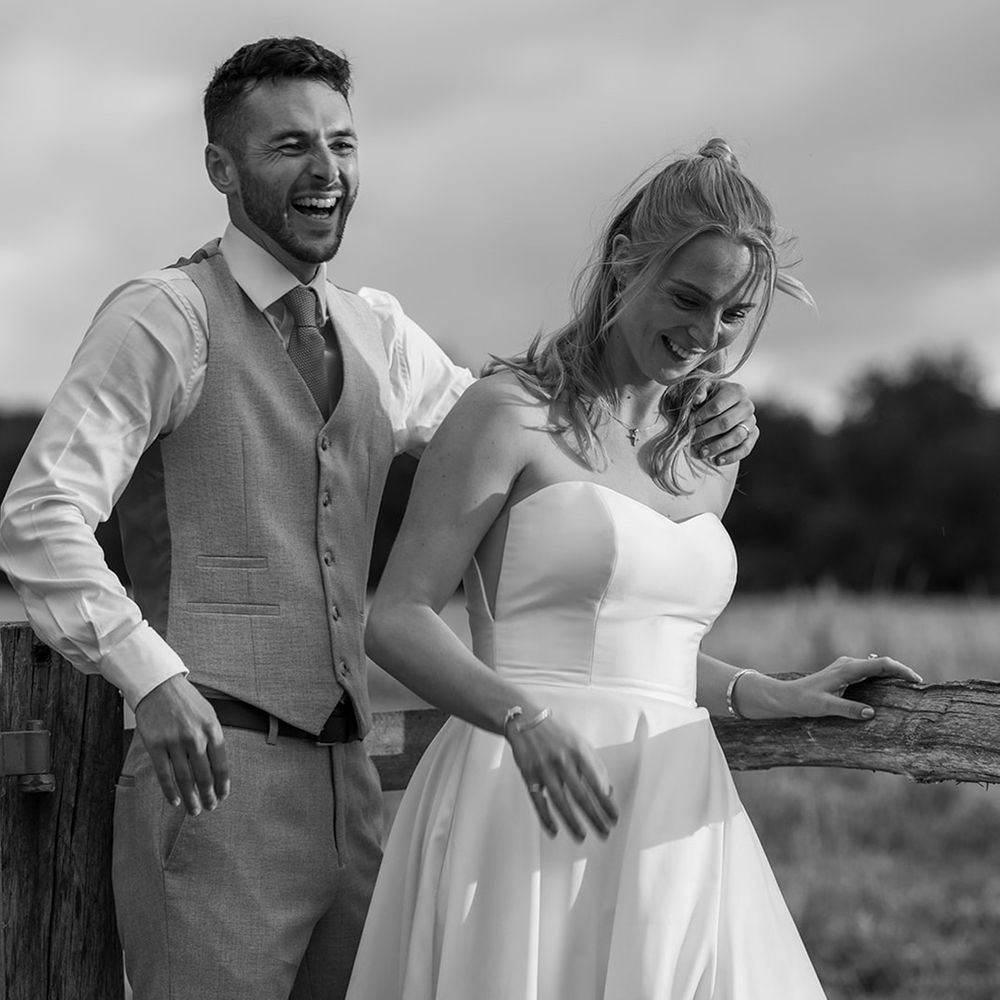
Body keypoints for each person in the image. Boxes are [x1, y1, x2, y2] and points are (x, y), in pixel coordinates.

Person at [0, 39, 760, 1000]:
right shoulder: (164, 318)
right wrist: (149, 680)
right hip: (209, 785)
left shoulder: (382, 333)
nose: (326, 172)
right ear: (220, 169)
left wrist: (693, 412)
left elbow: (555, 455)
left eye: (343, 143)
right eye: (289, 146)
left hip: (354, 792)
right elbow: (40, 514)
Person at [345, 138, 923, 1000]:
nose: (705, 338)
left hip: (677, 803)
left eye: (734, 318)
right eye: (687, 300)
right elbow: (396, 618)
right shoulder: (507, 414)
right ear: (622, 266)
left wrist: (768, 691)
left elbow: (642, 650)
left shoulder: (710, 455)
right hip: (521, 792)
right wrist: (520, 720)